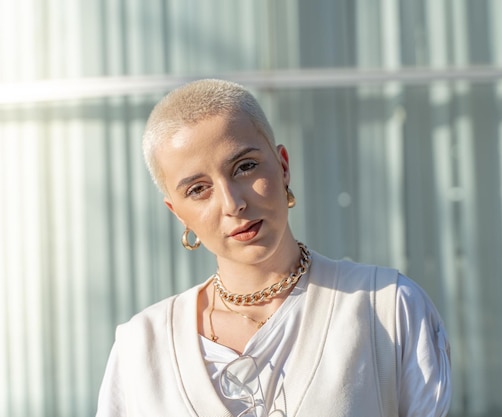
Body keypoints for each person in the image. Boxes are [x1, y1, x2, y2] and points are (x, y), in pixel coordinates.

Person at [95, 79, 451, 417]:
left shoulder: (385, 307)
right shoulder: (141, 347)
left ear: (283, 167)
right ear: (177, 213)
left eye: (245, 167)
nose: (232, 203)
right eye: (198, 189)